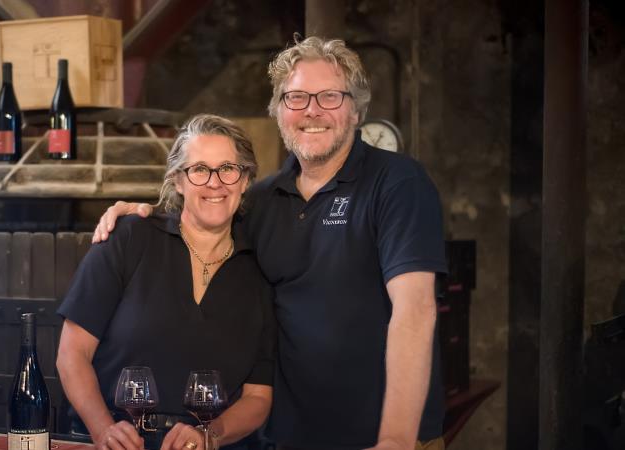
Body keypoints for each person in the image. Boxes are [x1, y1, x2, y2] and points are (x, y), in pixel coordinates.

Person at [94, 36, 447, 450]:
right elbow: (201, 215)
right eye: (296, 97)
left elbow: (415, 310)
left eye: (330, 96)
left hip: (381, 438)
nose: (312, 110)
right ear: (278, 111)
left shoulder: (398, 183)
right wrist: (145, 212)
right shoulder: (261, 200)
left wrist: (396, 439)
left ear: (355, 110)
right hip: (290, 438)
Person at [57, 114, 276, 450]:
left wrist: (209, 436)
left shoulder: (259, 272)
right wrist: (104, 430)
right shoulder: (131, 238)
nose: (215, 183)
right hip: (114, 442)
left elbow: (258, 397)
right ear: (178, 181)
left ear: (245, 180)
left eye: (228, 168)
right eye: (199, 169)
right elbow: (72, 353)